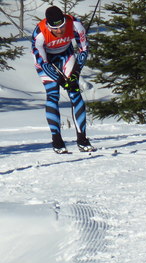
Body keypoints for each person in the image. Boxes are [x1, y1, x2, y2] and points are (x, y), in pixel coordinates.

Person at [31, 5, 94, 154]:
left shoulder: (75, 24)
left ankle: (82, 139)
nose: (59, 31)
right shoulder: (39, 34)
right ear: (48, 26)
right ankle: (57, 140)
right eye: (55, 29)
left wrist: (75, 73)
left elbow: (84, 49)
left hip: (66, 54)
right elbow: (43, 63)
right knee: (53, 94)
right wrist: (61, 81)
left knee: (75, 91)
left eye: (62, 27)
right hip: (47, 60)